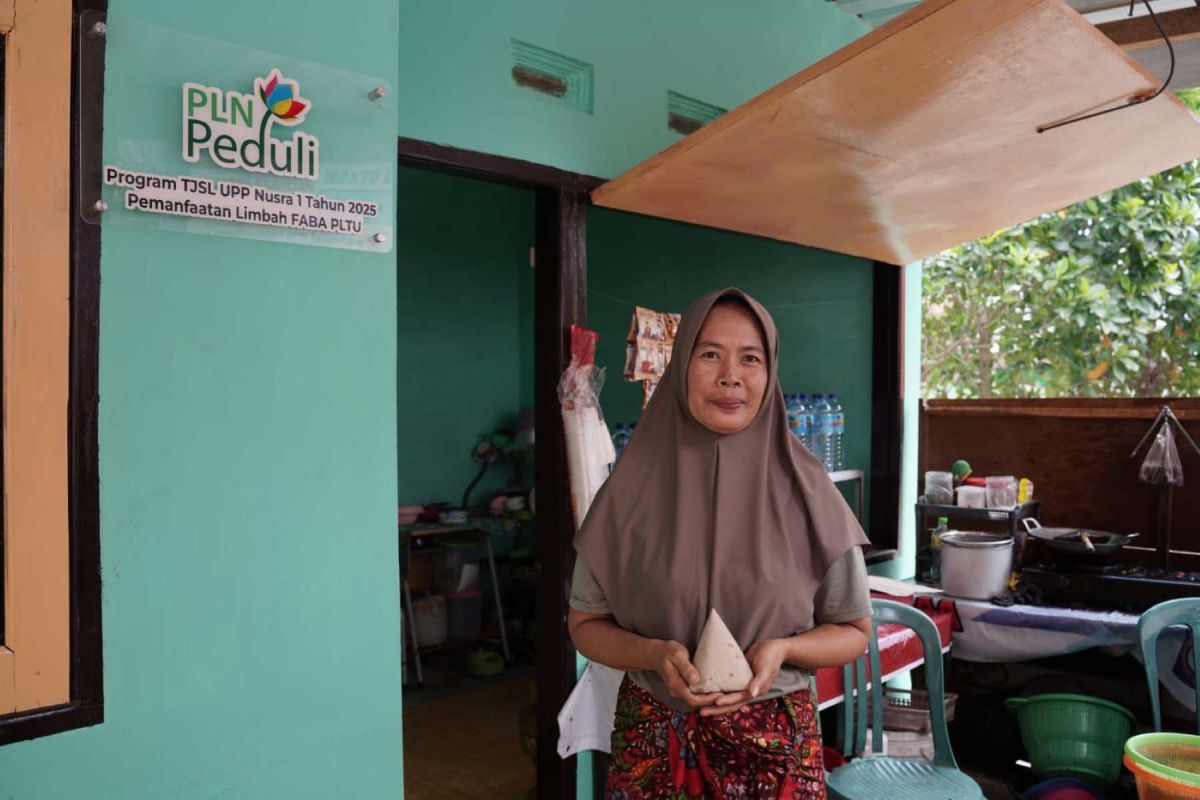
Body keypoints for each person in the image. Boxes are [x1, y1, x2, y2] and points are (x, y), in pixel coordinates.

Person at [568, 288, 872, 799]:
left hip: (776, 749)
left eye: (750, 359)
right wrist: (653, 653)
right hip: (655, 745)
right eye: (710, 354)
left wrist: (785, 649)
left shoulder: (809, 492)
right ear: (681, 367)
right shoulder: (626, 494)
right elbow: (585, 625)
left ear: (769, 373)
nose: (731, 376)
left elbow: (854, 630)